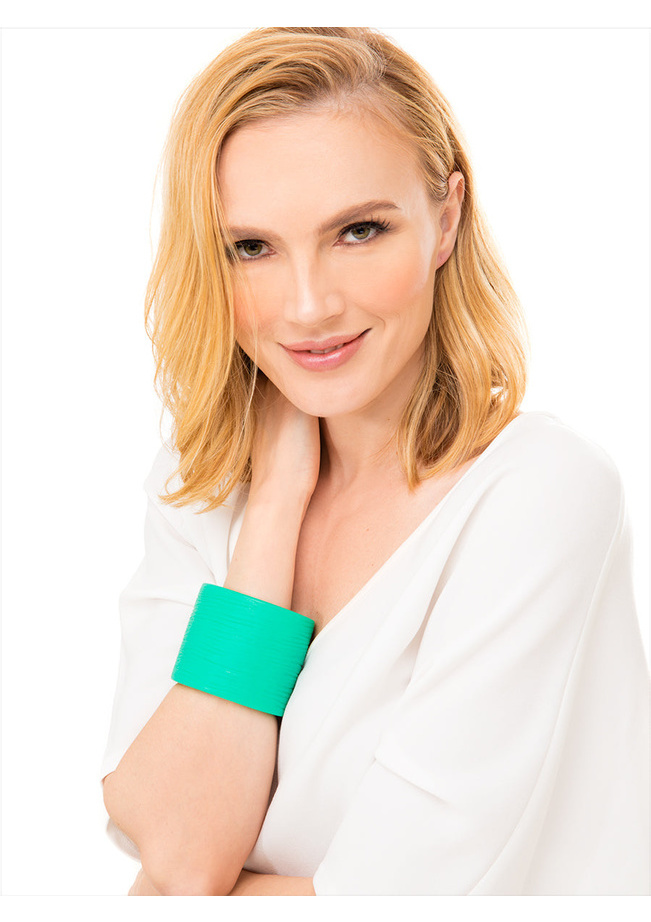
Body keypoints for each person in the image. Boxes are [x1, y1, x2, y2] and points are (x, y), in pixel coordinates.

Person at [100, 27, 650, 896]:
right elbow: (177, 851)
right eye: (252, 247)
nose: (308, 305)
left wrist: (192, 891)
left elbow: (385, 901)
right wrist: (274, 509)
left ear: (446, 218)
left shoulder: (540, 492)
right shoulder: (208, 478)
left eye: (358, 231)